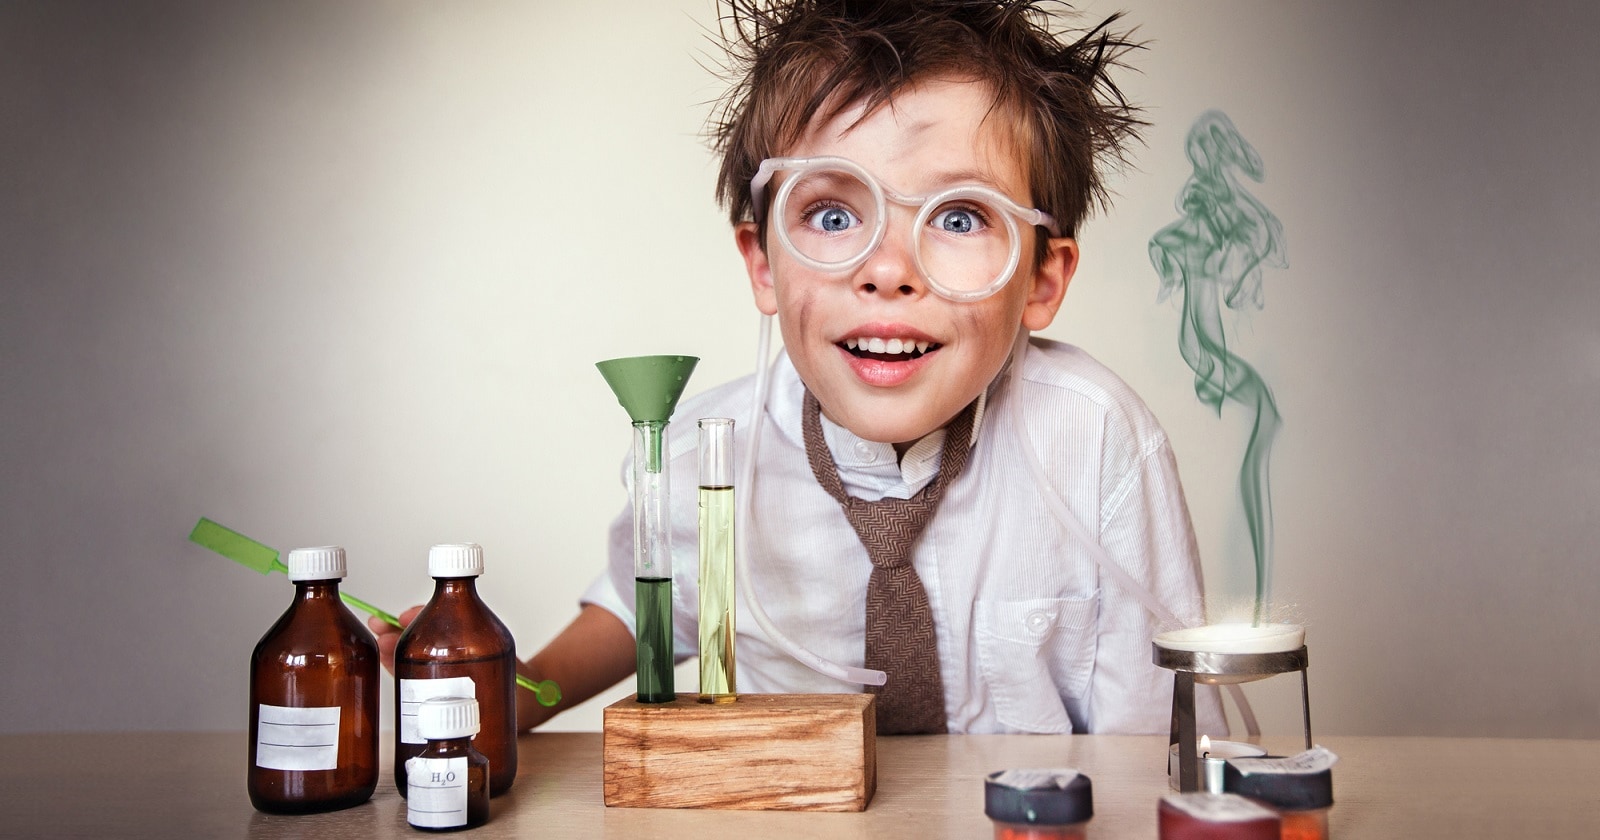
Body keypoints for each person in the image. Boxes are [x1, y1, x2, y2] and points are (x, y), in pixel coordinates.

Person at [375, 0, 1225, 736]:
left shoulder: (1097, 438)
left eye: (960, 218)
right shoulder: (707, 452)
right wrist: (508, 696)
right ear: (761, 263)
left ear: (1043, 278)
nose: (888, 267)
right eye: (829, 213)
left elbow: (1151, 731)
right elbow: (643, 606)